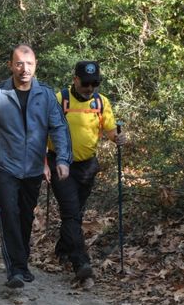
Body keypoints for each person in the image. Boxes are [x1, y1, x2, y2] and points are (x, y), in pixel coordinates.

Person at [0, 44, 72, 289]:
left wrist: (62, 159)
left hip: (33, 169)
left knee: (25, 215)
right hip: (4, 166)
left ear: (35, 65)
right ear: (11, 65)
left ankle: (22, 262)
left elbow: (59, 127)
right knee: (9, 213)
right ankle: (15, 270)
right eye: (19, 63)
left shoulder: (46, 95)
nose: (24, 69)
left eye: (28, 64)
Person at [47, 61, 126, 284]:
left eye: (95, 83)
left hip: (87, 166)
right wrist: (43, 161)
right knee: (71, 213)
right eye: (86, 83)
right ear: (75, 80)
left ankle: (62, 248)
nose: (90, 88)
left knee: (76, 213)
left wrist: (117, 138)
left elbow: (110, 130)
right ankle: (81, 263)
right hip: (60, 164)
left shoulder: (101, 102)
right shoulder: (59, 99)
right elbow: (44, 129)